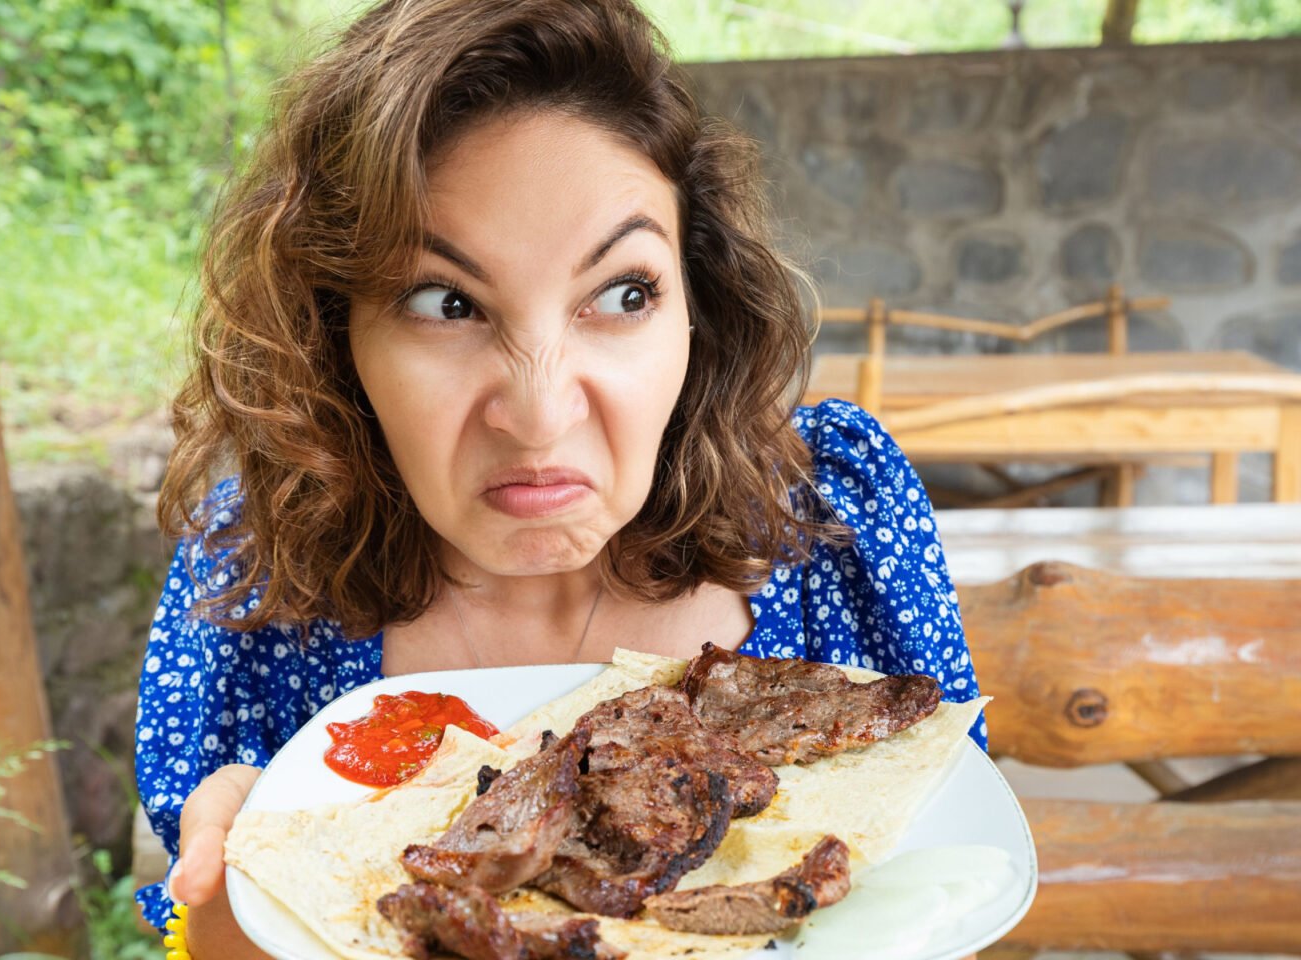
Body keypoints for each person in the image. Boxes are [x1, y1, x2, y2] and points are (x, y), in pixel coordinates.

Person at [133, 0, 986, 954]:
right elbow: (227, 916)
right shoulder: (260, 573)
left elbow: (943, 885)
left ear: (697, 309)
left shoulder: (835, 523)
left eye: (622, 295)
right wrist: (230, 926)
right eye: (445, 301)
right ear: (336, 336)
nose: (539, 416)